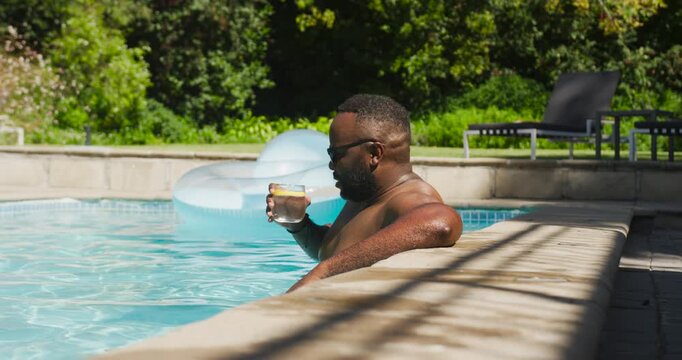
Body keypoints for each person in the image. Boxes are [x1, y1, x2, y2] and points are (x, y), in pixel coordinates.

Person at [266, 94, 462, 292]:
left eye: (337, 154)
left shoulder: (409, 199)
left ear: (374, 154)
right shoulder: (367, 195)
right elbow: (334, 250)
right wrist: (299, 225)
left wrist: (321, 274)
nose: (331, 164)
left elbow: (442, 223)